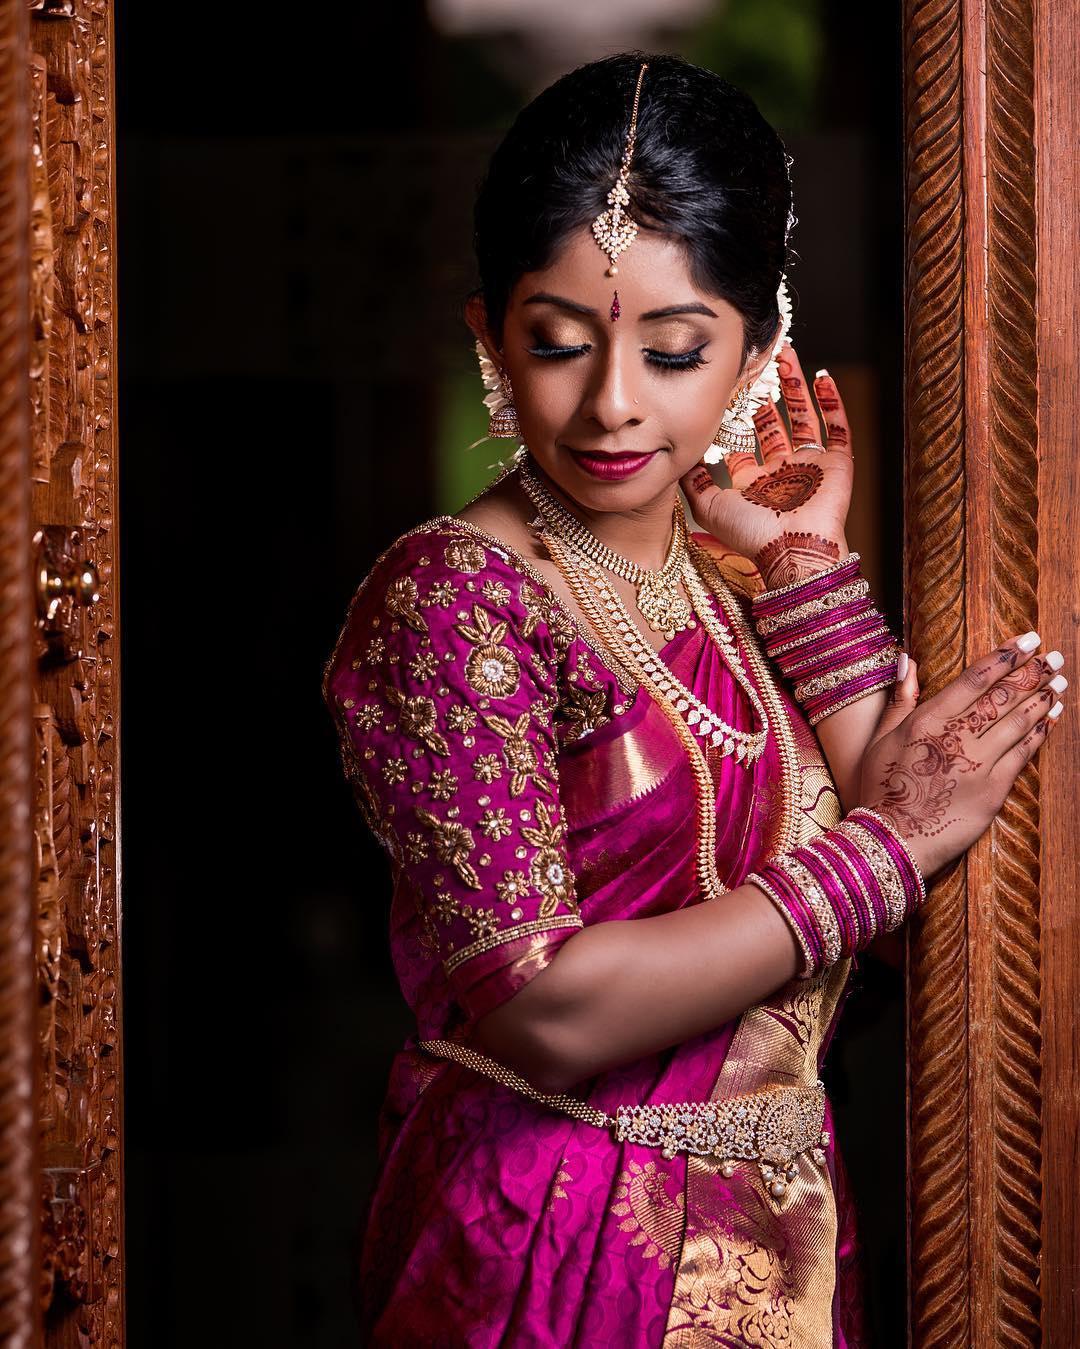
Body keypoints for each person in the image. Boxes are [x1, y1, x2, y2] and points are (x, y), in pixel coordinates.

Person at [320, 51, 1067, 1347]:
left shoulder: (732, 585)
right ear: (489, 334)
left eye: (673, 351)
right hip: (550, 1243)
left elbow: (919, 904)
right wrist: (880, 853)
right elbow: (548, 1010)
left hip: (776, 1247)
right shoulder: (458, 596)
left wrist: (804, 569)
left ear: (757, 349)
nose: (611, 403)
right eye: (558, 342)